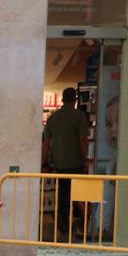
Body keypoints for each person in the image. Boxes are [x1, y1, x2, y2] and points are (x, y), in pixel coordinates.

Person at [42, 87, 90, 236]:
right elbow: (83, 140)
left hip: (59, 163)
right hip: (76, 162)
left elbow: (46, 142)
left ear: (62, 99)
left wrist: (44, 162)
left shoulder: (53, 117)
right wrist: (86, 158)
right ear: (75, 99)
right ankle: (84, 221)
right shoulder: (79, 116)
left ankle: (63, 222)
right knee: (79, 193)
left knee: (63, 193)